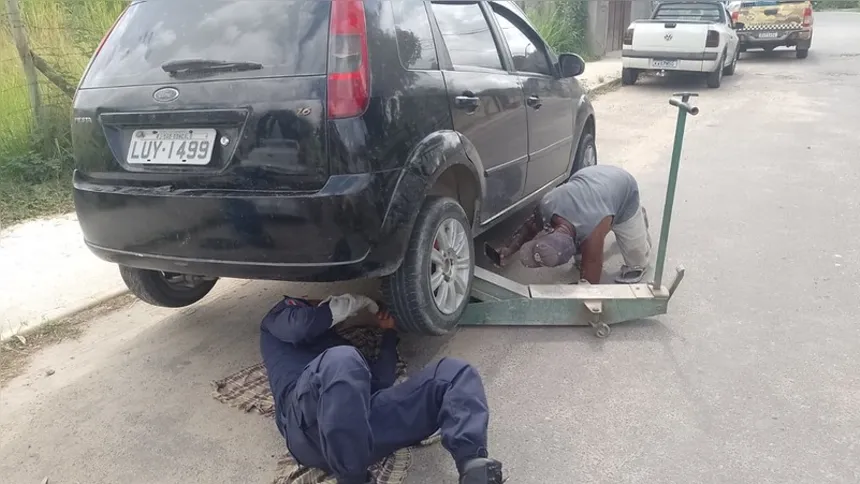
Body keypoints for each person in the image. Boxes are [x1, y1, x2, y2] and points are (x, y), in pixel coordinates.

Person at [259, 293, 504, 484]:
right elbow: (300, 327)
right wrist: (348, 302)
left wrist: (388, 335)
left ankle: (474, 467)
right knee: (343, 360)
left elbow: (379, 382)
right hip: (306, 425)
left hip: (360, 430)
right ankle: (354, 479)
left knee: (455, 373)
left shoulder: (341, 347)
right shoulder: (279, 320)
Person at [486, 164, 652, 284]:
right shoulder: (547, 205)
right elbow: (529, 227)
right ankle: (584, 249)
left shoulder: (592, 233)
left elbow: (592, 276)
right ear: (548, 232)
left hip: (623, 188)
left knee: (636, 262)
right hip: (590, 177)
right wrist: (509, 248)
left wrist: (584, 290)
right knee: (581, 262)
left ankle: (637, 216)